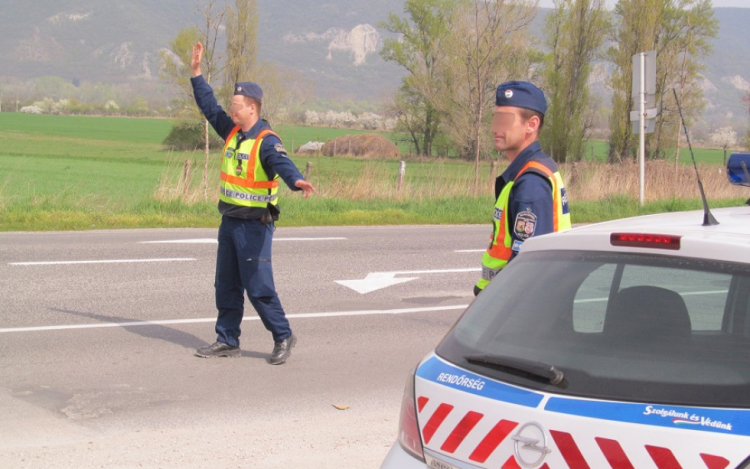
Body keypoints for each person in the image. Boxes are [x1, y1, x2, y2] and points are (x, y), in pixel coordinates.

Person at [189, 42, 315, 364]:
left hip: (255, 226)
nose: (231, 109)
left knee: (258, 287)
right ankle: (227, 340)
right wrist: (196, 74)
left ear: (252, 109)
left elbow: (282, 164)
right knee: (226, 285)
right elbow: (208, 107)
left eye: (236, 105)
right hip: (229, 222)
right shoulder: (232, 132)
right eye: (231, 104)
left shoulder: (267, 140)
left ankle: (283, 336)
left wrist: (297, 180)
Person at [474, 81, 571, 295]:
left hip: (511, 306)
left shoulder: (531, 183)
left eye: (505, 120)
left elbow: (529, 268)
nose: (494, 128)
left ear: (532, 125)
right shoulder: (530, 170)